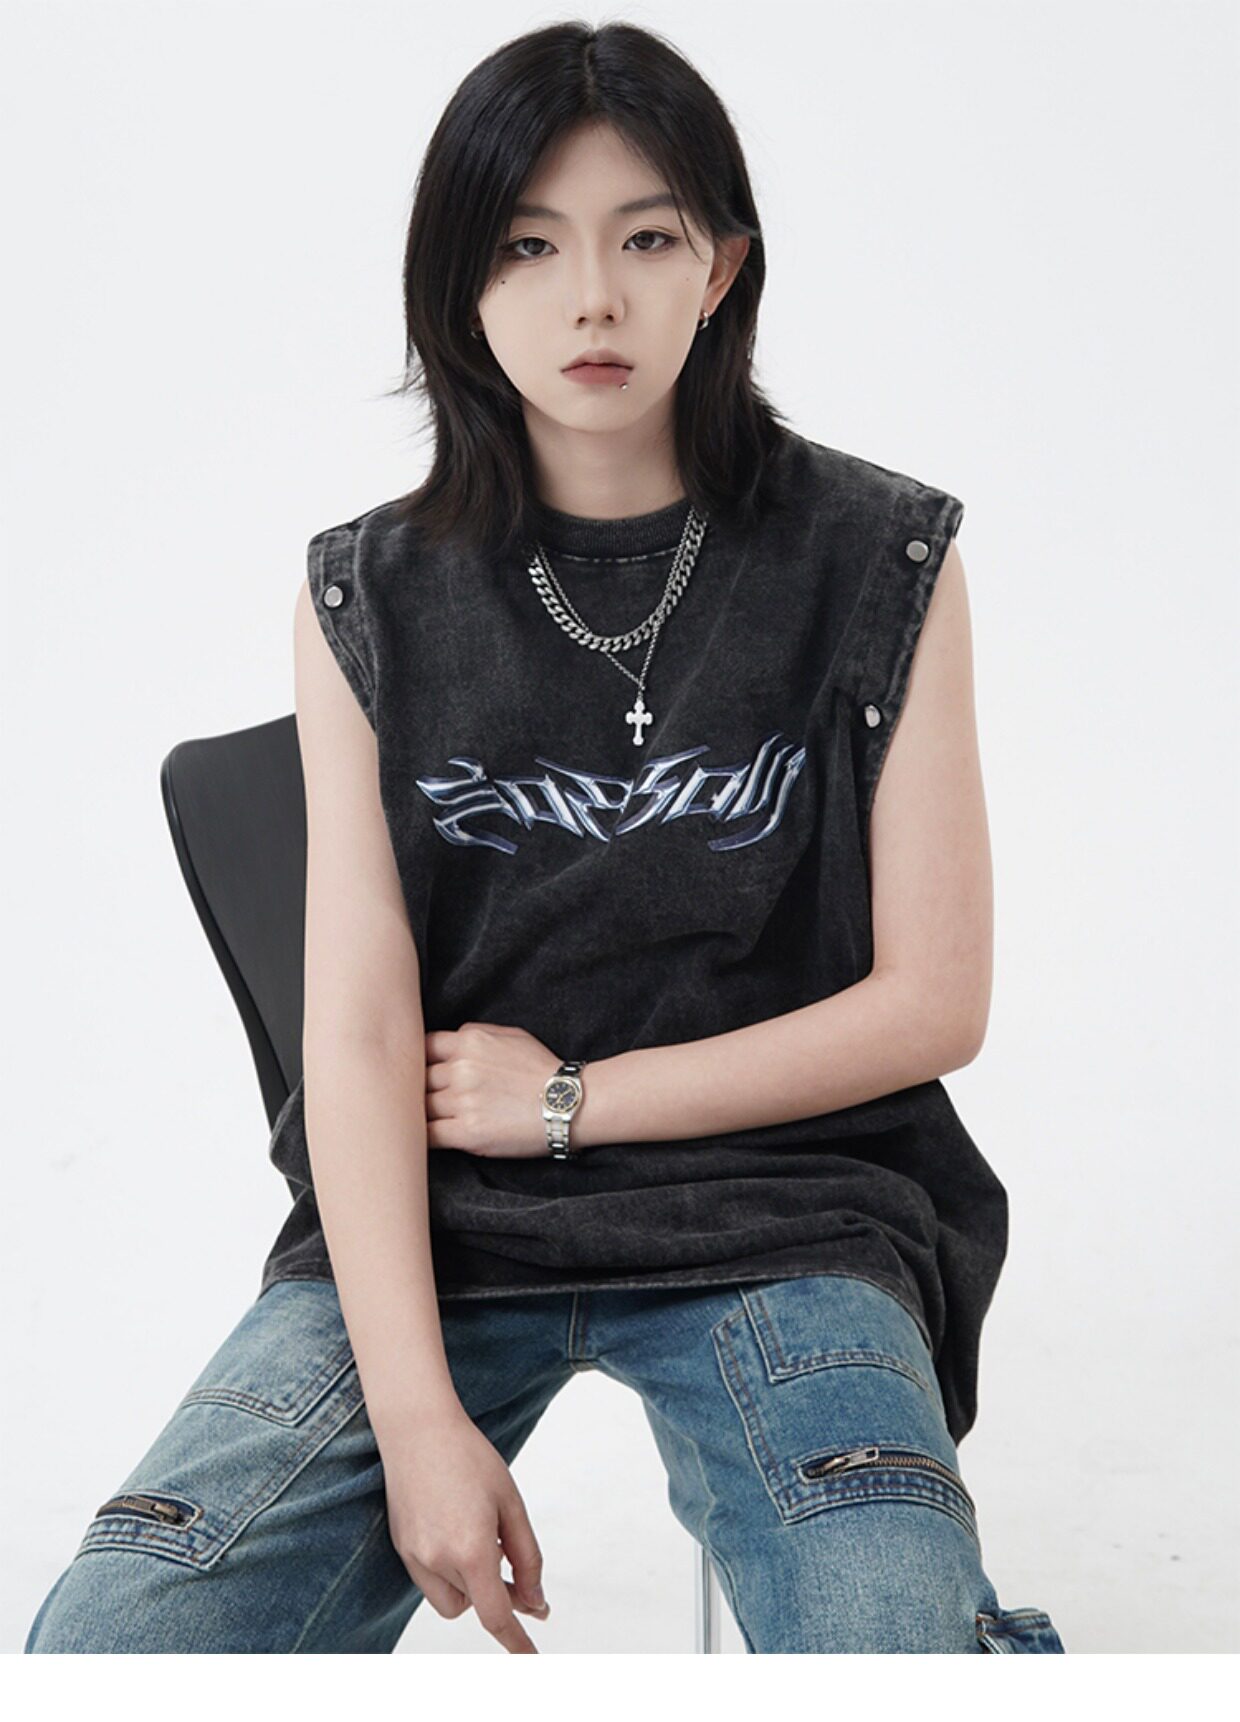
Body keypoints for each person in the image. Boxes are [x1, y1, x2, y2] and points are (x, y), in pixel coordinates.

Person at [24, 19, 1067, 1654]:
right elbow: (356, 1033)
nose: (592, 299)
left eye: (646, 239)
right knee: (104, 1652)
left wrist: (567, 1101)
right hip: (446, 1230)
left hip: (787, 1211)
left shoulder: (879, 558)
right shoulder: (367, 594)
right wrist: (416, 1419)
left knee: (888, 1648)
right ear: (461, 285)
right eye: (528, 245)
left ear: (721, 268)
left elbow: (935, 1000)